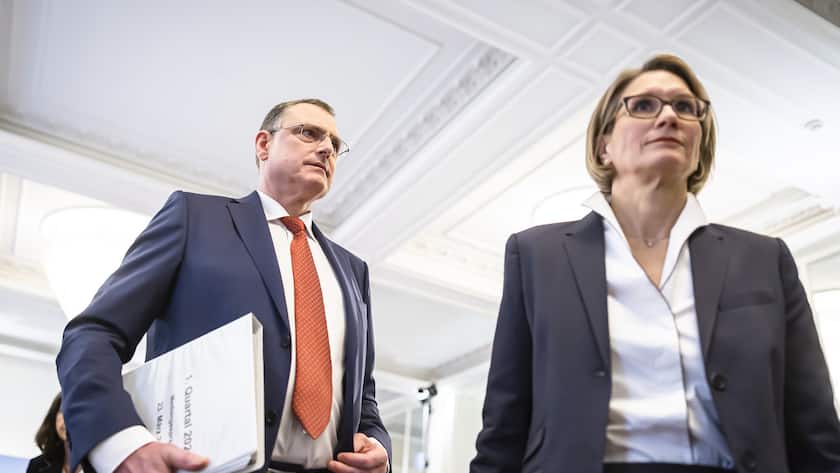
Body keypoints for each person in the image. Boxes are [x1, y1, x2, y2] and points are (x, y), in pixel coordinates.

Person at [470, 54, 840, 473]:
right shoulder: (537, 255)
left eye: (685, 107)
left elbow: (814, 428)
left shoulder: (765, 259)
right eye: (644, 105)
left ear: (699, 147)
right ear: (604, 146)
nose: (669, 117)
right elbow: (503, 426)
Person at [56, 98, 391, 473]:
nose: (327, 148)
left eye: (335, 143)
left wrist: (379, 447)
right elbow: (93, 334)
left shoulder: (354, 271)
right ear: (264, 144)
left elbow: (364, 396)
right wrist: (121, 444)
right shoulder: (194, 218)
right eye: (309, 133)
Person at [28, 393, 77, 473]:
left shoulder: (98, 465)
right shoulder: (37, 466)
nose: (67, 418)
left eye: (76, 411)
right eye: (62, 410)